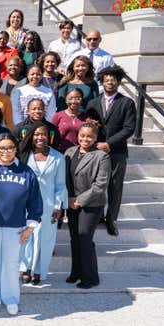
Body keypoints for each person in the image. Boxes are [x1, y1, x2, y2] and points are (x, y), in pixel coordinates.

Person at [0, 133, 42, 315]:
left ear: (16, 150)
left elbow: (35, 201)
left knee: (11, 264)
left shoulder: (26, 171)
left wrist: (30, 227)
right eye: (2, 148)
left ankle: (10, 297)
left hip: (16, 228)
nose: (6, 151)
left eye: (10, 147)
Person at [85, 65, 136, 236]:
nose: (109, 83)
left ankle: (111, 219)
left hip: (117, 151)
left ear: (118, 82)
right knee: (97, 185)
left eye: (113, 80)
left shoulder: (127, 102)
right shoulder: (92, 103)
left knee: (115, 186)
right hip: (96, 151)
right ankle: (98, 215)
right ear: (102, 82)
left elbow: (129, 128)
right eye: (106, 80)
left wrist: (109, 144)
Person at [18, 122, 67, 285]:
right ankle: (25, 269)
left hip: (48, 206)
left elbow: (60, 185)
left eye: (43, 134)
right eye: (36, 134)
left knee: (44, 240)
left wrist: (58, 207)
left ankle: (39, 271)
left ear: (49, 136)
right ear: (31, 136)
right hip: (26, 205)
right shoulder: (23, 155)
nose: (40, 137)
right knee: (26, 238)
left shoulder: (58, 157)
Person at [64, 122, 110, 289]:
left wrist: (79, 201)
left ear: (96, 138)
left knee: (84, 237)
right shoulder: (69, 152)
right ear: (78, 136)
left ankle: (90, 277)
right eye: (82, 135)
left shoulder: (101, 156)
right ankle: (76, 272)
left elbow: (100, 185)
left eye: (90, 136)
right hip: (71, 202)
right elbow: (65, 178)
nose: (85, 139)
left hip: (91, 204)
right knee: (74, 239)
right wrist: (68, 198)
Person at [51, 87, 88, 152]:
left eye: (77, 98)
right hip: (61, 152)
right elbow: (51, 133)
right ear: (66, 100)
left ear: (81, 100)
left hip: (80, 152)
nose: (73, 101)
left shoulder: (86, 118)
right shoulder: (58, 116)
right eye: (70, 98)